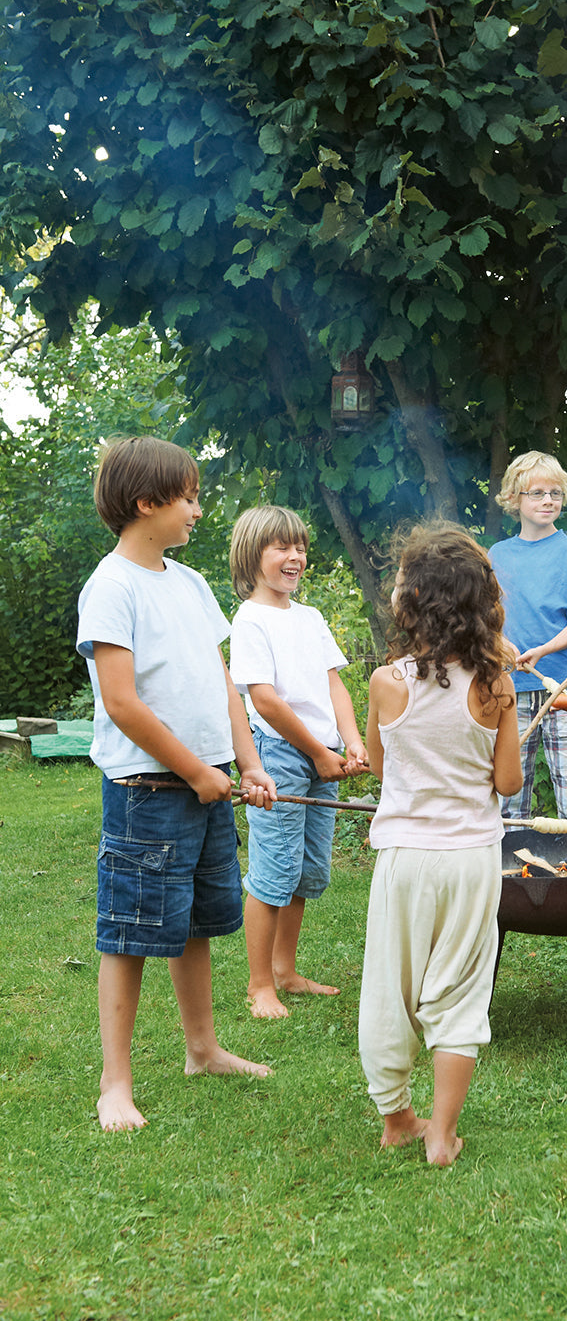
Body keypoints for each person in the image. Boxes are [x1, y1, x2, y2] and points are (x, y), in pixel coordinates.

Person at [76, 437, 277, 1133]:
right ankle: (115, 1082)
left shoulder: (189, 584)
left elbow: (222, 682)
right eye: (189, 496)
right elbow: (124, 702)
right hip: (148, 789)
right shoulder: (112, 585)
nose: (197, 509)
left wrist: (245, 761)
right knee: (130, 932)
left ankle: (203, 1048)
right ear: (147, 502)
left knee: (194, 921)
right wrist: (196, 771)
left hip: (207, 782)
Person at [359, 523, 522, 1166]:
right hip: (471, 859)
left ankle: (397, 1116)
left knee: (391, 988)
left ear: (412, 602)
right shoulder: (496, 686)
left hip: (404, 859)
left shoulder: (385, 683)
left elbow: (378, 768)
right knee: (459, 990)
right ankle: (443, 1135)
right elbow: (506, 782)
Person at [229, 506, 367, 1020]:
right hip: (280, 756)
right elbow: (264, 700)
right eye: (281, 548)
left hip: (323, 753)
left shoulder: (309, 617)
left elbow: (333, 684)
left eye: (300, 547)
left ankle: (286, 971)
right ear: (252, 555)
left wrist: (350, 742)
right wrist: (317, 752)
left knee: (307, 868)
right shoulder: (249, 620)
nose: (295, 557)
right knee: (273, 870)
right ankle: (259, 985)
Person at [489, 452, 567, 826]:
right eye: (537, 492)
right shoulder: (498, 555)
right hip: (511, 682)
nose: (548, 500)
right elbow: (490, 620)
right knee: (509, 788)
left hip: (565, 683)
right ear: (514, 498)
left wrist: (542, 650)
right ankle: (505, 869)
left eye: (555, 492)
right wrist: (501, 646)